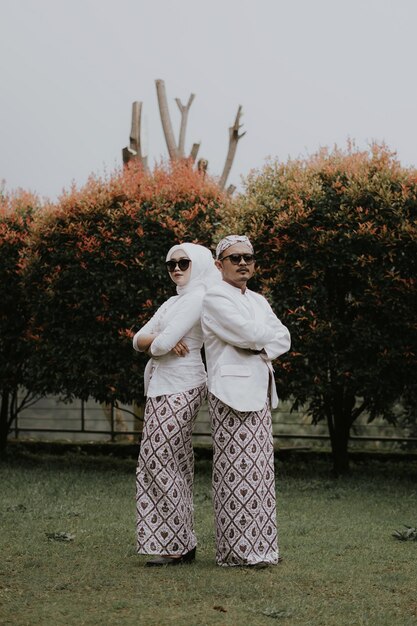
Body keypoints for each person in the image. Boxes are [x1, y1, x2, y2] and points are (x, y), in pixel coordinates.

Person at [201, 235, 291, 567]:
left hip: (260, 393)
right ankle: (238, 553)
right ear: (218, 264)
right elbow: (253, 335)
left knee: (261, 475)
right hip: (230, 394)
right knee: (235, 475)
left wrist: (258, 343)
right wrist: (258, 340)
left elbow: (283, 337)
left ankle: (263, 549)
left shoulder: (258, 300)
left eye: (248, 258)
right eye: (234, 257)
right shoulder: (213, 298)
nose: (242, 263)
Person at [133, 242, 219, 566]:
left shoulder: (198, 297)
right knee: (170, 462)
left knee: (159, 459)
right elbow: (137, 339)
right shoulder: (172, 302)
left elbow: (156, 345)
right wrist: (159, 340)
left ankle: (176, 544)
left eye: (184, 263)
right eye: (171, 264)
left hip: (183, 385)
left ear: (197, 264)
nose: (177, 269)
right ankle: (182, 543)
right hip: (159, 386)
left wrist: (159, 341)